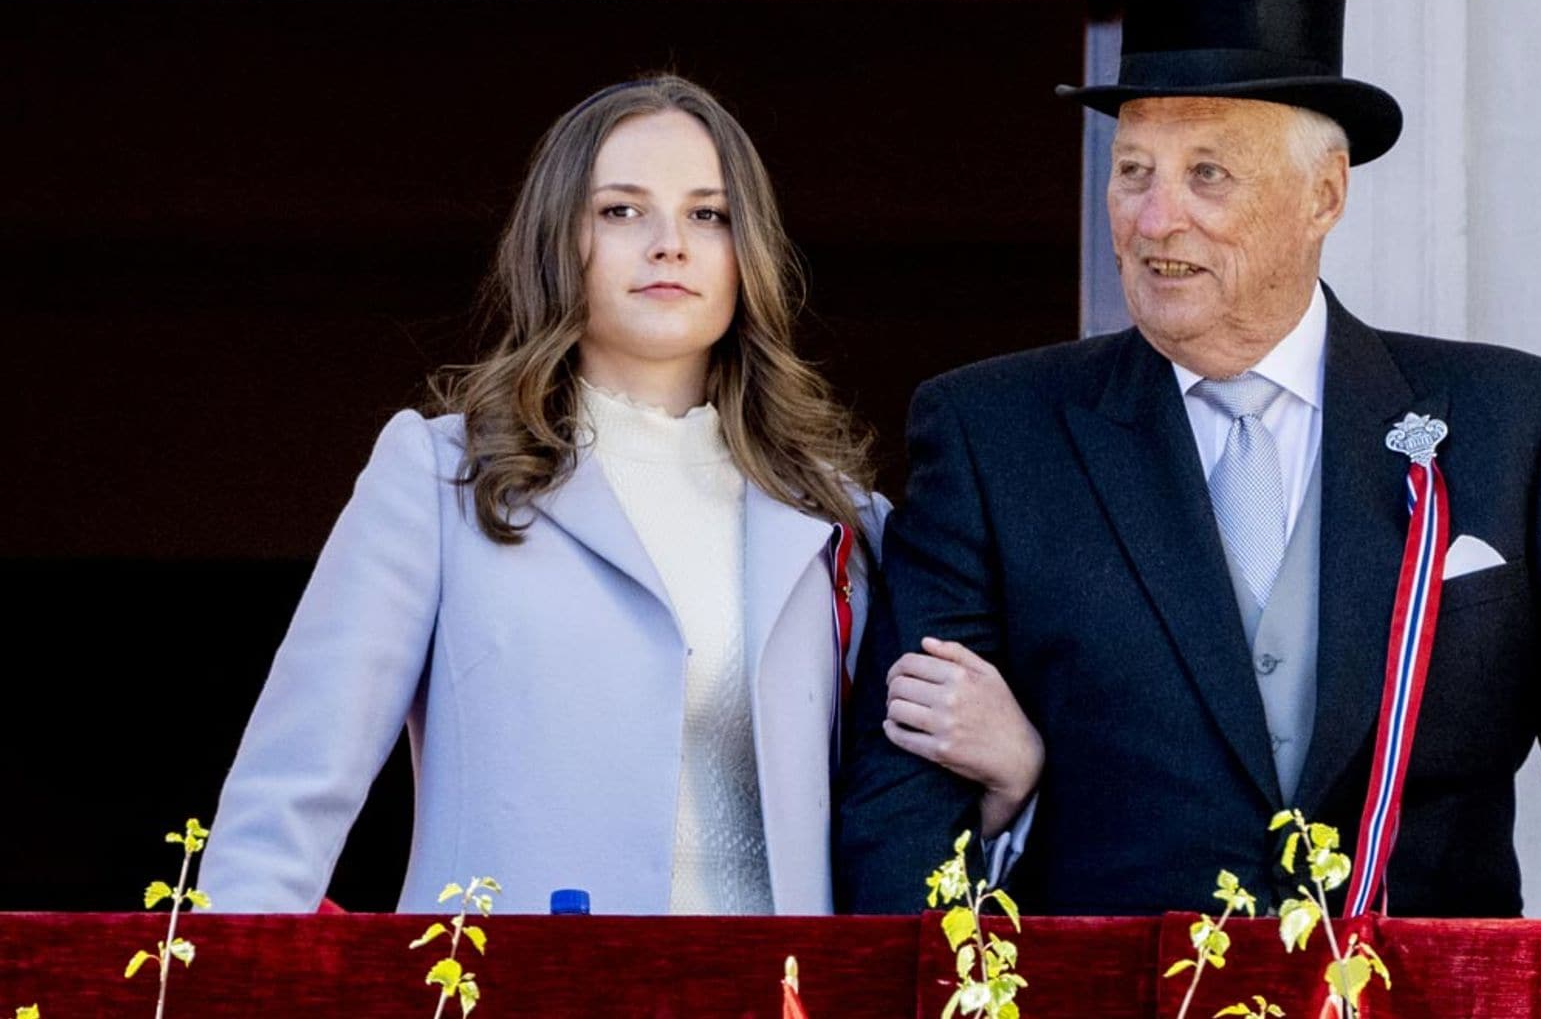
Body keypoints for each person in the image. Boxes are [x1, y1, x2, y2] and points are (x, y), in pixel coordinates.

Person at [837, 0, 1541, 918]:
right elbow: (903, 815)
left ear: (1324, 194)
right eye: (1133, 171)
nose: (1155, 220)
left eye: (1209, 174)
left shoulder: (1511, 427)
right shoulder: (992, 436)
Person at [199, 75, 1034, 915]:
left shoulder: (838, 522)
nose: (669, 243)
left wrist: (1011, 775)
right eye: (621, 210)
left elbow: (902, 834)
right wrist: (232, 984)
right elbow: (290, 796)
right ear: (558, 240)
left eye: (708, 214)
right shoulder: (440, 477)